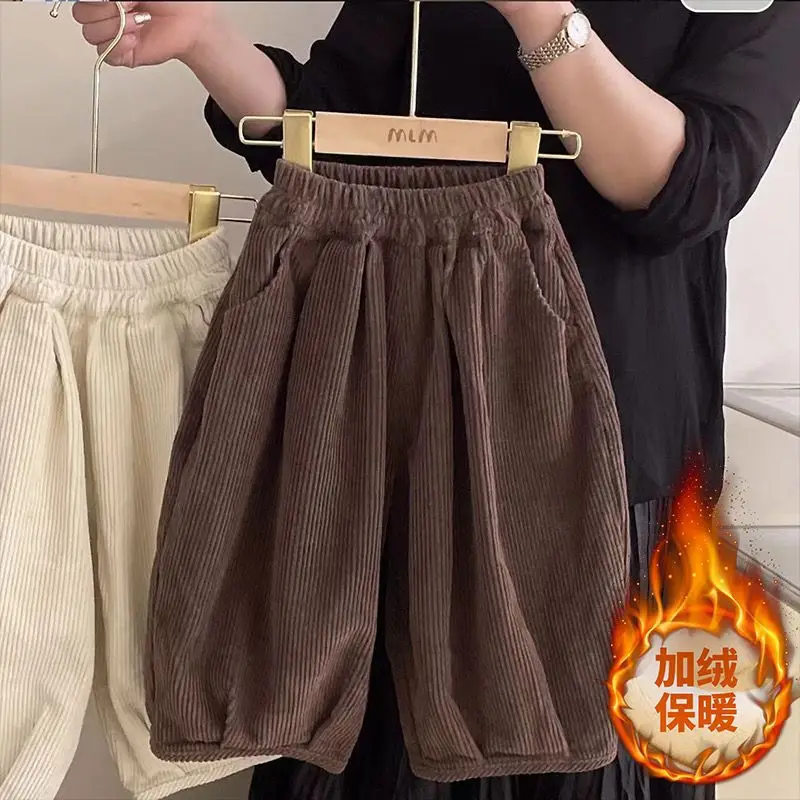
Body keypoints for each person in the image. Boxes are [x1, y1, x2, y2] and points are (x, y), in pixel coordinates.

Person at [74, 2, 800, 800]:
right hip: (393, 456)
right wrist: (205, 41)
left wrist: (537, 14)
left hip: (612, 475)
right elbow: (331, 143)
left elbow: (686, 187)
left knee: (575, 753)